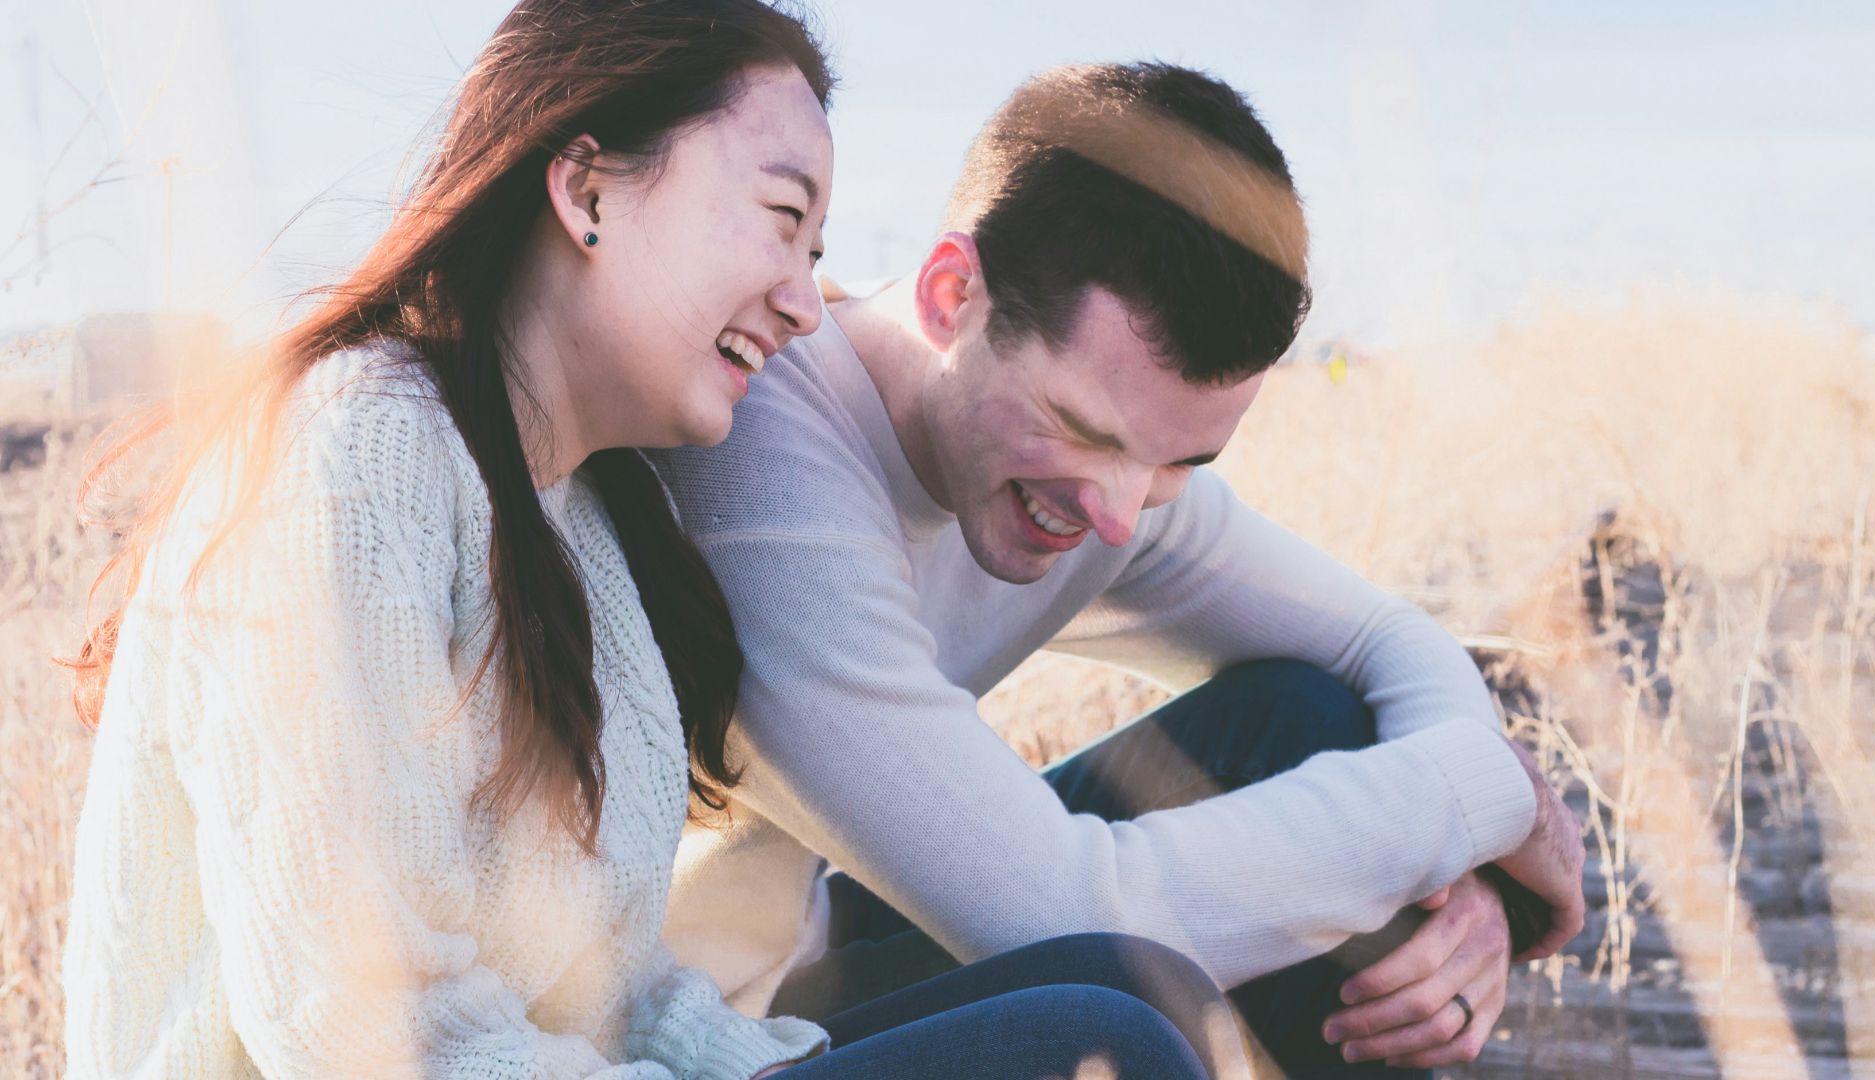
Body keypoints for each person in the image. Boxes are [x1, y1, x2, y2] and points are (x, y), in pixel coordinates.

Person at [59, 6, 1225, 1078]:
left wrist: (759, 1064)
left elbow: (606, 986)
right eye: (782, 222)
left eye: (819, 256)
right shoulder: (355, 454)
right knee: (1104, 1042)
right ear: (587, 190)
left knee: (1134, 983)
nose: (806, 303)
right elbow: (361, 1031)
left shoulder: (581, 520)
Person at [650, 61, 1588, 1076]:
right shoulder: (763, 461)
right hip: (693, 1029)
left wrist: (1466, 883)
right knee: (1125, 1017)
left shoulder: (1110, 480)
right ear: (952, 295)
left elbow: (1383, 638)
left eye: (1182, 460)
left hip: (812, 945)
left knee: (1310, 716)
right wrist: (1476, 801)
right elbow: (1065, 918)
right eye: (1079, 429)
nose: (1115, 514)